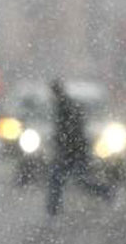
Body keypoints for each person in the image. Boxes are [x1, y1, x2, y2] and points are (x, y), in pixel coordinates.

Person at [46, 79, 113, 215]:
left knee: (71, 179)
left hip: (73, 151)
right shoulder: (64, 105)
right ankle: (53, 209)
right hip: (73, 150)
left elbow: (70, 130)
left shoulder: (65, 106)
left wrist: (64, 143)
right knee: (67, 179)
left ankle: (107, 192)